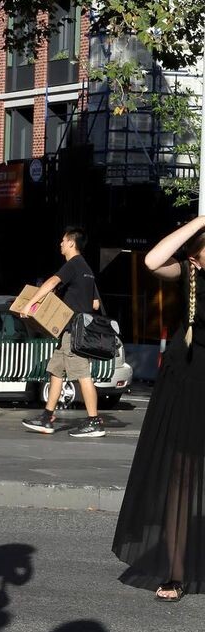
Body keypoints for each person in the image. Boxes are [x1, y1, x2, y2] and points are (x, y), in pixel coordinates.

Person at [113, 219, 205, 600]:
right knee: (181, 479)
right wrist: (201, 219)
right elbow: (152, 261)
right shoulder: (186, 272)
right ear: (196, 257)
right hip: (187, 382)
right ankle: (175, 573)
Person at [19, 228, 105, 438]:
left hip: (74, 331)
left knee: (82, 374)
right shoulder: (87, 269)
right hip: (71, 330)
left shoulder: (73, 264)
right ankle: (47, 417)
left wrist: (30, 304)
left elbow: (52, 282)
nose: (61, 244)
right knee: (56, 370)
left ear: (71, 243)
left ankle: (94, 421)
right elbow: (95, 303)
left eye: (63, 241)